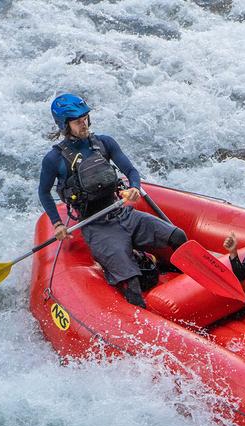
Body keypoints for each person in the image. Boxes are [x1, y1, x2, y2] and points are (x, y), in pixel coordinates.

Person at [38, 93, 187, 308]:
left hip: (123, 214)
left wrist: (135, 188)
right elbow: (44, 193)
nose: (84, 124)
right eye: (78, 121)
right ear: (64, 125)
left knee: (178, 235)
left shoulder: (104, 143)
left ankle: (187, 282)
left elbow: (130, 170)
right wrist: (57, 223)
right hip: (96, 226)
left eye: (85, 118)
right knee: (132, 282)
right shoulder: (54, 159)